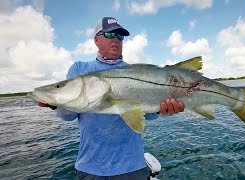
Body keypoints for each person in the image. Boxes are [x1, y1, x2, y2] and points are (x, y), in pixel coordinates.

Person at [38, 17, 184, 179]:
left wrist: (163, 109)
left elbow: (148, 115)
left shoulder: (135, 72)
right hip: (90, 167)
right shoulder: (80, 69)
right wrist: (56, 102)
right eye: (109, 35)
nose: (115, 39)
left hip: (132, 167)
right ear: (96, 40)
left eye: (120, 36)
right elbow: (68, 116)